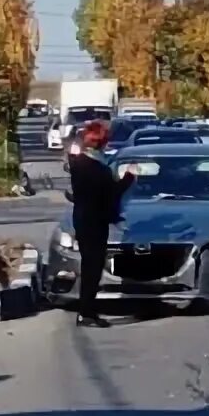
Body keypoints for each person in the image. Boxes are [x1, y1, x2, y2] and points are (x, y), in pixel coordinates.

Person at [68, 120, 135, 328]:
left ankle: (87, 310)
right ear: (103, 143)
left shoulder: (78, 163)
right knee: (93, 268)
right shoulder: (98, 169)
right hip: (95, 224)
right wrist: (129, 177)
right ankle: (86, 312)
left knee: (90, 266)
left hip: (82, 220)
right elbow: (112, 193)